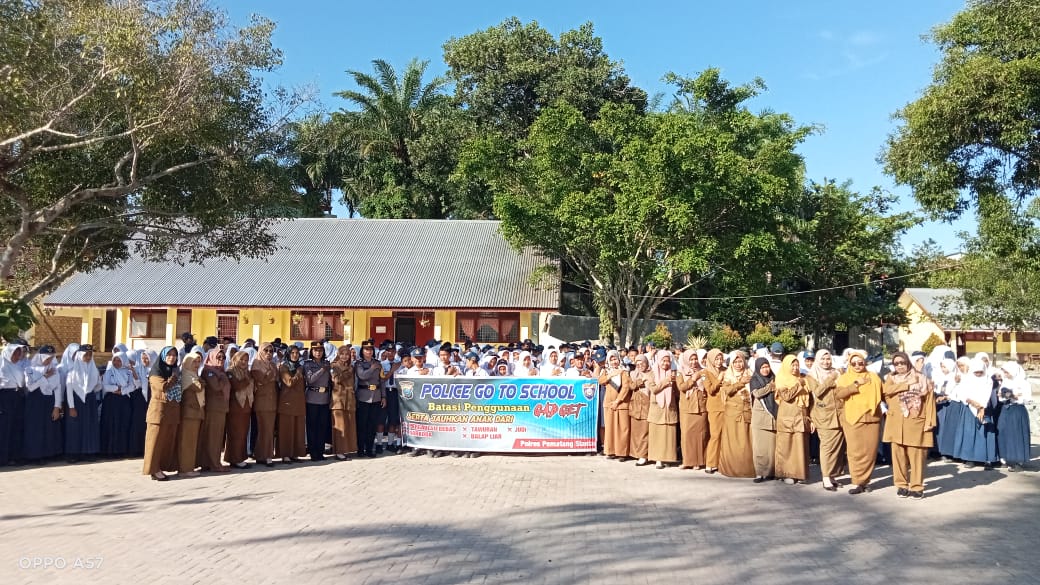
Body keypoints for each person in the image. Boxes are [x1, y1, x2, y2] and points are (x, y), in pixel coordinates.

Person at [882, 351, 936, 499]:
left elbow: (930, 400)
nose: (899, 366)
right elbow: (886, 391)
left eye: (902, 362)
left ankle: (917, 486)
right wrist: (906, 385)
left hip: (915, 421)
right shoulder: (890, 379)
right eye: (896, 363)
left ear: (908, 363)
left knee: (917, 456)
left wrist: (930, 421)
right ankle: (901, 485)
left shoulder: (922, 378)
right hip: (895, 422)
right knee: (898, 456)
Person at [834, 350, 883, 494]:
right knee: (855, 452)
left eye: (860, 362)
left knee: (870, 452)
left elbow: (884, 393)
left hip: (872, 418)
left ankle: (865, 481)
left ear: (865, 362)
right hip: (853, 419)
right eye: (853, 363)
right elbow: (839, 394)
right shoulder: (844, 378)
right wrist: (855, 384)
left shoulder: (874, 377)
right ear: (849, 364)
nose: (857, 365)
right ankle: (857, 482)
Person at [142, 347, 181, 481]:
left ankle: (160, 467)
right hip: (158, 413)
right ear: (163, 356)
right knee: (155, 443)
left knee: (165, 443)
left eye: (174, 355)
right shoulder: (156, 372)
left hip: (171, 413)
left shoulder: (173, 370)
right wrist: (175, 377)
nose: (172, 357)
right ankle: (153, 469)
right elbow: (163, 387)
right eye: (169, 355)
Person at [809, 349, 846, 491]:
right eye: (823, 359)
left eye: (828, 359)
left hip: (839, 414)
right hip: (823, 416)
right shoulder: (812, 375)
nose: (826, 362)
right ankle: (825, 478)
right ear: (818, 360)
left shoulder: (836, 372)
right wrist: (831, 378)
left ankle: (832, 476)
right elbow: (817, 392)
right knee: (826, 447)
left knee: (837, 448)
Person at [954, 357, 999, 469]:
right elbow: (962, 393)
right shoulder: (967, 379)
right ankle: (970, 458)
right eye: (976, 372)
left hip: (984, 408)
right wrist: (973, 403)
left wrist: (982, 408)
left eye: (980, 372)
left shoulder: (988, 380)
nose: (978, 374)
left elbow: (987, 395)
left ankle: (987, 459)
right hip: (969, 409)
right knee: (969, 433)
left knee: (984, 433)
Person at [774, 355, 811, 485]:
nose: (795, 368)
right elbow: (786, 396)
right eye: (792, 365)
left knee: (800, 446)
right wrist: (798, 385)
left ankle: (799, 473)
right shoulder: (781, 379)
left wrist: (810, 419)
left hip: (801, 416)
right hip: (787, 416)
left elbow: (808, 400)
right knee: (786, 446)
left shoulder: (801, 378)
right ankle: (786, 474)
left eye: (797, 365)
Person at [719, 351, 755, 478]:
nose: (738, 364)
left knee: (747, 442)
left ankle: (748, 469)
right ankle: (732, 469)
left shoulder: (750, 373)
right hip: (733, 413)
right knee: (734, 441)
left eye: (740, 361)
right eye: (735, 362)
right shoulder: (728, 375)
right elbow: (727, 390)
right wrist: (741, 383)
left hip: (748, 411)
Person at [23, 345, 62, 462]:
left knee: (47, 428)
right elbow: (30, 387)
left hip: (49, 401)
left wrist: (57, 407)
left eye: (50, 358)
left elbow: (57, 388)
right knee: (35, 429)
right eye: (46, 358)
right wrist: (44, 377)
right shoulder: (29, 369)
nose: (48, 361)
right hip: (35, 402)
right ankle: (34, 455)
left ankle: (46, 454)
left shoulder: (54, 370)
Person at [64, 344, 101, 463]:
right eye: (86, 354)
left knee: (89, 427)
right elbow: (69, 390)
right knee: (75, 428)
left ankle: (88, 452)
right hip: (76, 401)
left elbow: (98, 385)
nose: (88, 357)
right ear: (80, 355)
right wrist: (71, 407)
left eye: (90, 355)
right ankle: (74, 453)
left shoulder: (93, 369)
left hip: (89, 401)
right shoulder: (72, 372)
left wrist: (90, 392)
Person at [198, 347, 231, 472]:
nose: (221, 360)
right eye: (218, 357)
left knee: (215, 437)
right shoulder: (209, 371)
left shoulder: (220, 371)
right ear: (211, 357)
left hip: (220, 408)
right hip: (213, 408)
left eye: (223, 357)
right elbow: (216, 386)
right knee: (213, 437)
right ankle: (214, 463)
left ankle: (209, 462)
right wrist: (223, 378)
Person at [677, 349, 709, 470]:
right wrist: (693, 379)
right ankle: (687, 461)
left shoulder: (703, 371)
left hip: (701, 406)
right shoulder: (681, 372)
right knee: (687, 435)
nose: (694, 362)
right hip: (687, 408)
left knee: (700, 435)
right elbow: (681, 387)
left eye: (695, 359)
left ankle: (698, 461)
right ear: (686, 360)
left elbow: (707, 386)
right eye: (691, 359)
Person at [996, 361, 1032, 471]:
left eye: (1007, 372)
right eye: (1005, 372)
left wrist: (1016, 397)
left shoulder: (1024, 383)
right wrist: (1003, 395)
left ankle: (1018, 461)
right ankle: (1006, 458)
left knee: (1017, 434)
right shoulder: (1005, 382)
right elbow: (1001, 397)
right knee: (1003, 432)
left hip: (1017, 410)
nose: (1006, 375)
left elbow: (1028, 399)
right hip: (1006, 409)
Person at [648, 352, 680, 469]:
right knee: (657, 435)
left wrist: (675, 382)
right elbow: (653, 389)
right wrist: (666, 381)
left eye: (668, 361)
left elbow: (677, 392)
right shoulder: (652, 373)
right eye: (663, 361)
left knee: (668, 435)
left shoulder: (673, 373)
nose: (666, 363)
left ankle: (668, 458)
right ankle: (658, 460)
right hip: (657, 408)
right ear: (658, 360)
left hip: (670, 408)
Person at [598, 350, 632, 461]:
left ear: (619, 359)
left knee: (622, 428)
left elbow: (626, 387)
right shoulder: (606, 371)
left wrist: (618, 401)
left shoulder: (624, 371)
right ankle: (610, 451)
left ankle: (622, 452)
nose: (614, 362)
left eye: (615, 359)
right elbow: (600, 381)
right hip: (608, 403)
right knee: (610, 428)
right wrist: (609, 376)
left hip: (621, 404)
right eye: (611, 359)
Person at [302, 342, 332, 462]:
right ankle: (313, 452)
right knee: (312, 426)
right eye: (315, 350)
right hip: (312, 397)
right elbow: (310, 380)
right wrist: (322, 370)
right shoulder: (308, 364)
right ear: (312, 352)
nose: (318, 352)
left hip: (324, 398)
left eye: (320, 350)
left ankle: (320, 451)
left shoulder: (327, 363)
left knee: (322, 426)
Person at [250, 343, 279, 467]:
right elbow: (262, 379)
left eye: (271, 351)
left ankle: (264, 454)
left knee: (269, 429)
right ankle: (264, 455)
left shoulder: (273, 365)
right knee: (264, 429)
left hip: (272, 400)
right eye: (266, 350)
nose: (269, 353)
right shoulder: (256, 365)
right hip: (261, 401)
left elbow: (274, 379)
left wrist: (270, 374)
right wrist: (270, 374)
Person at [749, 357, 777, 483]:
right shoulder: (754, 379)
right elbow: (757, 393)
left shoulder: (774, 377)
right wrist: (770, 387)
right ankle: (760, 473)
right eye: (763, 367)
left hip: (772, 417)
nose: (766, 370)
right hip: (760, 418)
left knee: (771, 448)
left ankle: (770, 472)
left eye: (767, 367)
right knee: (760, 448)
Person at [355, 344, 386, 458]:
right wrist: (372, 368)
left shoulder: (378, 363)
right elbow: (362, 376)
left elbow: (382, 380)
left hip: (376, 396)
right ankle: (360, 449)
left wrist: (384, 396)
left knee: (372, 425)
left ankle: (369, 448)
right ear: (362, 351)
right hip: (363, 396)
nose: (369, 352)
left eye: (370, 350)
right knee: (362, 425)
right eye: (366, 350)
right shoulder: (359, 363)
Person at [277, 346, 307, 463]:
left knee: (297, 429)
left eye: (297, 353)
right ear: (288, 354)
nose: (295, 355)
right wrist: (298, 373)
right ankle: (285, 454)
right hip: (287, 402)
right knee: (286, 429)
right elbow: (289, 382)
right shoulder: (284, 366)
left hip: (299, 401)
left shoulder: (300, 366)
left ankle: (295, 453)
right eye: (292, 353)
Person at [177, 350, 204, 477]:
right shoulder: (187, 375)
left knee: (192, 441)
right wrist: (202, 382)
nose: (197, 364)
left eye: (199, 361)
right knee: (187, 441)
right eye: (194, 362)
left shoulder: (193, 374)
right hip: (189, 412)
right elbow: (199, 387)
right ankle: (185, 468)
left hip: (195, 412)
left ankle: (189, 467)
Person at [100, 351, 132, 458]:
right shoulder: (109, 372)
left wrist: (122, 391)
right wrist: (117, 388)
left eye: (119, 360)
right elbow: (105, 386)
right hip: (111, 401)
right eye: (115, 360)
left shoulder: (128, 372)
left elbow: (132, 386)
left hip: (123, 401)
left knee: (122, 424)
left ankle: (120, 450)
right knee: (110, 424)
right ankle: (109, 451)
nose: (117, 363)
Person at [225, 350, 254, 469]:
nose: (244, 362)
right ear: (235, 359)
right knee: (235, 433)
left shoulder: (247, 372)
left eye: (246, 360)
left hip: (246, 407)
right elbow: (237, 386)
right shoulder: (230, 372)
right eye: (241, 359)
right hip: (235, 407)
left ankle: (239, 457)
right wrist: (247, 380)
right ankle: (235, 458)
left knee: (243, 433)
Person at [330, 345, 358, 460]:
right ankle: (339, 451)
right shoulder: (334, 366)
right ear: (338, 354)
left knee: (349, 425)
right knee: (339, 426)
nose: (345, 356)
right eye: (342, 354)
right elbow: (336, 380)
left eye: (347, 354)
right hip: (338, 400)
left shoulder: (351, 366)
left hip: (349, 399)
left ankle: (347, 449)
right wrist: (347, 371)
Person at [701, 349, 725, 474]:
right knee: (715, 435)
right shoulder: (705, 372)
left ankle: (720, 462)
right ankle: (710, 463)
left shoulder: (725, 370)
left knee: (724, 436)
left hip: (726, 406)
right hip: (715, 408)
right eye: (716, 359)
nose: (719, 361)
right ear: (711, 359)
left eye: (721, 359)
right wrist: (719, 380)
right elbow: (710, 390)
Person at [126, 350, 152, 458]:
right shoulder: (138, 369)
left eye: (147, 358)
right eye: (143, 358)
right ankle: (136, 449)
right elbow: (138, 384)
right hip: (140, 399)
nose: (145, 360)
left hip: (152, 398)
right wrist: (134, 373)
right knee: (138, 423)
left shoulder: (155, 370)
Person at [628, 354, 653, 466]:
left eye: (642, 363)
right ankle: (636, 454)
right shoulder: (633, 374)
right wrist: (640, 381)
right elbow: (631, 386)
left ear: (646, 363)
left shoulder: (652, 374)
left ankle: (644, 455)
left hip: (647, 405)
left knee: (644, 432)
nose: (640, 366)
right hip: (635, 406)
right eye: (637, 364)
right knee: (636, 432)